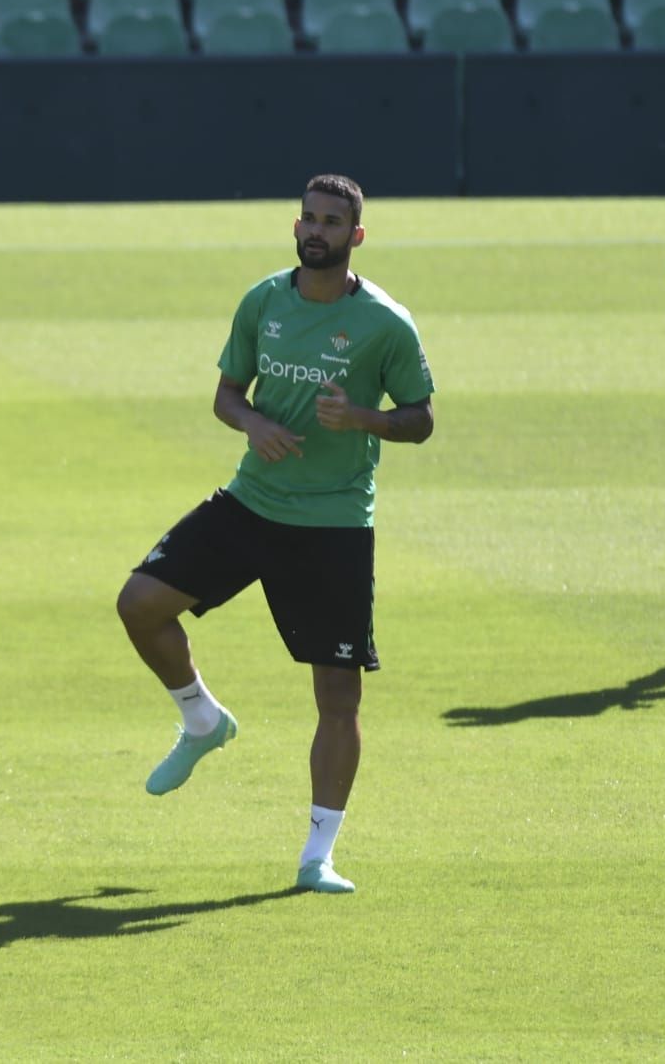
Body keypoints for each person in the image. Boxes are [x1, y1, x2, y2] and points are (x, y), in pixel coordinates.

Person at [114, 175, 434, 896]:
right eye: (309, 219)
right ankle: (201, 718)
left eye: (332, 222)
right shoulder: (264, 300)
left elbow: (420, 415)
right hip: (251, 502)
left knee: (337, 697)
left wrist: (368, 419)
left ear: (356, 236)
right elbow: (228, 392)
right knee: (139, 603)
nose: (316, 230)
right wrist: (251, 420)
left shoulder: (386, 323)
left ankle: (317, 854)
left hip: (333, 523)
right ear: (297, 226)